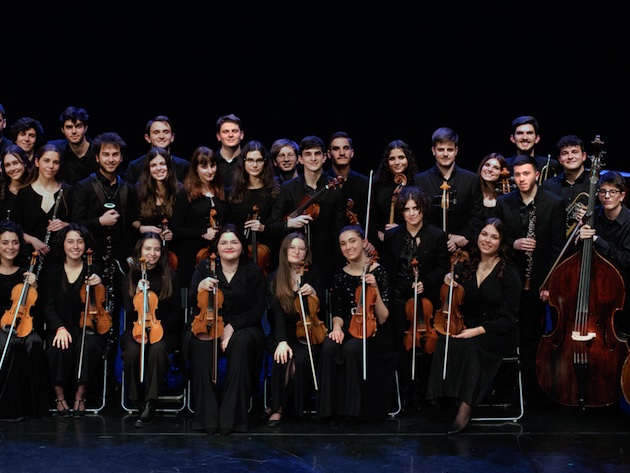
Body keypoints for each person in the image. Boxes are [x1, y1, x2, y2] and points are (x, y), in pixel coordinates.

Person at [425, 218, 520, 434]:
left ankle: (466, 406)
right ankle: (447, 398)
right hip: (469, 325)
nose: (487, 240)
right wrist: (449, 281)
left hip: (498, 331)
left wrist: (477, 331)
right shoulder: (465, 266)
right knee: (444, 342)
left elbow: (509, 318)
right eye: (484, 234)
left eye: (494, 237)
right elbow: (456, 299)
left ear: (501, 242)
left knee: (473, 347)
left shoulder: (509, 272)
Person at [494, 155, 565, 405]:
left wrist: (549, 283)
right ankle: (506, 389)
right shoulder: (503, 203)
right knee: (507, 334)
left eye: (526, 174)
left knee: (531, 336)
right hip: (510, 281)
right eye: (517, 175)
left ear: (536, 175)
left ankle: (530, 390)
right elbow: (495, 240)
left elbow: (557, 248)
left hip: (538, 282)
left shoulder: (554, 203)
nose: (521, 179)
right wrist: (513, 243)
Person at [183, 224, 266, 435]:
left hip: (243, 325)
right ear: (216, 247)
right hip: (207, 323)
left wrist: (232, 327)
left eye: (234, 242)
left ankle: (232, 419)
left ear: (242, 245)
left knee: (242, 343)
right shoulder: (204, 267)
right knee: (201, 344)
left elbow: (257, 310)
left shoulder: (253, 271)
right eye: (224, 242)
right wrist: (199, 287)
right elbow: (189, 300)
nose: (229, 246)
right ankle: (207, 418)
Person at [72, 132, 137, 388]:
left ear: (121, 157)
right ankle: (92, 378)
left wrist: (132, 258)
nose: (111, 159)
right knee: (93, 321)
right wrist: (99, 222)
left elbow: (131, 227)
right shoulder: (84, 186)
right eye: (106, 154)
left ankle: (112, 377)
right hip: (92, 263)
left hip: (120, 264)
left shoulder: (127, 188)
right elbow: (75, 224)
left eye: (115, 154)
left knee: (117, 320)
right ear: (97, 156)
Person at [317, 224, 396, 424]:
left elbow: (384, 317)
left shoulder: (379, 272)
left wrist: (375, 288)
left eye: (352, 241)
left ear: (363, 242)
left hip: (375, 334)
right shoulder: (339, 275)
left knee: (353, 348)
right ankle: (329, 410)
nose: (348, 247)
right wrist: (336, 328)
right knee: (329, 345)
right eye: (343, 244)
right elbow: (338, 312)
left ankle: (353, 411)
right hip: (350, 329)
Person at [380, 186, 450, 411]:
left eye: (416, 208)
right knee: (402, 347)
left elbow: (442, 267)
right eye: (407, 209)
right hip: (399, 298)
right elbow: (388, 270)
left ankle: (427, 394)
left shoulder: (437, 235)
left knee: (427, 347)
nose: (411, 213)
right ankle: (405, 395)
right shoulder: (392, 236)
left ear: (423, 210)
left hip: (426, 299)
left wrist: (426, 283)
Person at [43, 223, 108, 418]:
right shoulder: (52, 272)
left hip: (87, 327)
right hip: (61, 327)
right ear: (62, 245)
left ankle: (81, 394)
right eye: (70, 241)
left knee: (88, 345)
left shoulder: (94, 269)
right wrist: (60, 328)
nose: (75, 246)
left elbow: (102, 304)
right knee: (58, 347)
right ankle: (60, 395)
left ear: (86, 245)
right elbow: (48, 307)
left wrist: (99, 284)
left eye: (80, 241)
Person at [266, 135, 347, 289]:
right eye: (308, 154)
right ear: (300, 159)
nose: (313, 158)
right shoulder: (289, 188)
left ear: (324, 158)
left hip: (325, 259)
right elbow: (271, 226)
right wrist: (289, 224)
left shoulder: (335, 188)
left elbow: (339, 228)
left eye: (317, 154)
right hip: (294, 262)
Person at [264, 232, 327, 426]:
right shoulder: (275, 277)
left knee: (299, 358)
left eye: (301, 248)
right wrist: (282, 341)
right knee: (283, 356)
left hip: (308, 331)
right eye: (292, 247)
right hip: (281, 331)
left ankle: (280, 403)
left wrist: (315, 294)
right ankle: (278, 408)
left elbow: (323, 308)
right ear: (285, 251)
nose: (297, 252)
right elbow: (277, 314)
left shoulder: (313, 273)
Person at [120, 232, 182, 427]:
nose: (152, 253)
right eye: (148, 248)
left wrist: (158, 328)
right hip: (136, 327)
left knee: (157, 349)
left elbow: (177, 313)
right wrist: (137, 294)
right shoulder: (130, 277)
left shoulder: (171, 276)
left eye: (157, 249)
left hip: (165, 330)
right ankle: (135, 396)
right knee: (131, 352)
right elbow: (129, 313)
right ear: (140, 250)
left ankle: (151, 401)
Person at [0, 220, 50, 421]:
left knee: (34, 343)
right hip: (0, 324)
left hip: (21, 321)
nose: (10, 247)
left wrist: (35, 286)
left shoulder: (25, 273)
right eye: (4, 243)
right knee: (10, 343)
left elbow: (36, 307)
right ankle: (8, 409)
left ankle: (31, 407)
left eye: (14, 242)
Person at [414, 127, 484, 254]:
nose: (445, 154)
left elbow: (476, 215)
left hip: (464, 248)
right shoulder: (420, 180)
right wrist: (448, 237)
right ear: (433, 150)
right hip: (430, 247)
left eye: (450, 150)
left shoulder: (472, 179)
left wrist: (460, 238)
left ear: (456, 151)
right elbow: (420, 217)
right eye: (441, 149)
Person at [579, 170, 630, 338]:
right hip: (592, 289)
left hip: (623, 294)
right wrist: (578, 236)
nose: (607, 196)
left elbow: (626, 260)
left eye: (612, 192)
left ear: (622, 195)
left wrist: (597, 240)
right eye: (603, 191)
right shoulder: (592, 216)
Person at [170, 146, 228, 290]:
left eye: (213, 165)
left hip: (217, 253)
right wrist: (202, 233)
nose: (210, 170)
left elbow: (228, 222)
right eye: (204, 166)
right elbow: (176, 229)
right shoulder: (186, 194)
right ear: (195, 169)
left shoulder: (222, 192)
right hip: (192, 256)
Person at [12, 143, 73, 276]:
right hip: (30, 258)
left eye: (55, 162)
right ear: (37, 162)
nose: (51, 166)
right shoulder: (24, 193)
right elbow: (14, 228)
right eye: (46, 161)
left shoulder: (68, 191)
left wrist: (66, 225)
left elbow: (79, 224)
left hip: (60, 261)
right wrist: (32, 240)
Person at [226, 140, 279, 275]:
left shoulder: (275, 191)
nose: (254, 165)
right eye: (250, 160)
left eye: (259, 160)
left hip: (268, 251)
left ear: (265, 162)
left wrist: (263, 227)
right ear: (243, 162)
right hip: (240, 251)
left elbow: (278, 224)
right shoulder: (234, 192)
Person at [129, 146, 182, 254]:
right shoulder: (139, 190)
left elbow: (184, 223)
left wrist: (173, 233)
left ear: (169, 166)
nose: (159, 168)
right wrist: (141, 228)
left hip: (173, 249)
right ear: (148, 168)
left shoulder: (180, 191)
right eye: (154, 165)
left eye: (162, 164)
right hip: (146, 247)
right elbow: (131, 218)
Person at [371, 139, 418, 251]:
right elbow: (373, 216)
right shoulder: (377, 184)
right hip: (382, 242)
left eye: (401, 157)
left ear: (408, 159)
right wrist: (379, 233)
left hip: (410, 242)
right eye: (392, 158)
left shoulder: (417, 182)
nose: (397, 162)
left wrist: (401, 230)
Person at [542, 134, 591, 237]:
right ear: (559, 159)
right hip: (555, 246)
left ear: (584, 156)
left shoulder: (595, 184)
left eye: (574, 152)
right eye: (565, 153)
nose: (570, 157)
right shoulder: (548, 186)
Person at [124, 115, 190, 186]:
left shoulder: (184, 166)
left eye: (166, 132)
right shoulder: (135, 167)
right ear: (148, 138)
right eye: (156, 132)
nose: (161, 136)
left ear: (172, 137)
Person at [326, 131, 370, 227]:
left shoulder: (365, 183)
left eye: (346, 148)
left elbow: (372, 219)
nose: (342, 153)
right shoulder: (323, 183)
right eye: (336, 149)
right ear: (329, 154)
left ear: (352, 153)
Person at [47, 106, 99, 185]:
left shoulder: (98, 151)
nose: (74, 131)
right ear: (62, 130)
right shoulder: (56, 149)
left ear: (86, 128)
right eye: (69, 127)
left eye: (78, 126)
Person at [505, 115, 561, 182]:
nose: (525, 137)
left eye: (529, 133)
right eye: (520, 133)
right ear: (512, 138)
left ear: (537, 138)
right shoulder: (504, 165)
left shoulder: (550, 165)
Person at [0, 145, 33, 221]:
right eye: (7, 165)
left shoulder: (34, 189)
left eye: (15, 163)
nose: (12, 168)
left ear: (24, 163)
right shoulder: (1, 189)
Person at [477, 152, 511, 220]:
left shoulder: (505, 199)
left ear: (502, 173)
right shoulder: (472, 193)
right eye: (487, 165)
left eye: (496, 168)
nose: (489, 170)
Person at [215, 114, 244, 189]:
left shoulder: (248, 161)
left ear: (241, 135)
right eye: (225, 132)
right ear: (218, 136)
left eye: (234, 131)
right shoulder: (212, 162)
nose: (230, 135)